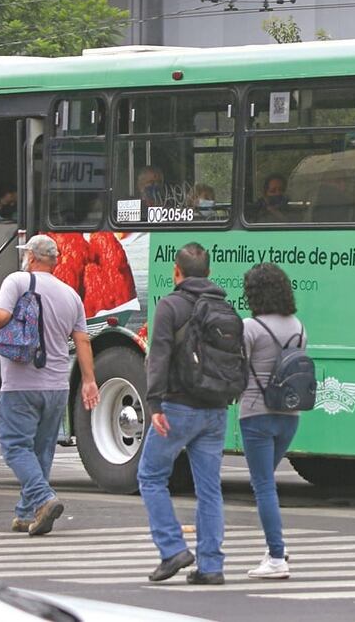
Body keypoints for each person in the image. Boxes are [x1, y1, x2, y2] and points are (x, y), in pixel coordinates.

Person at [0, 235, 99, 535]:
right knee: (42, 450)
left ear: (31, 257)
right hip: (57, 387)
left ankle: (43, 498)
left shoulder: (16, 281)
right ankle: (27, 513)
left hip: (21, 385)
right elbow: (83, 340)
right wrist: (89, 381)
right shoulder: (71, 295)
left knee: (14, 446)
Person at [138, 242, 229, 585]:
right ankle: (211, 566)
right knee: (209, 489)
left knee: (150, 475)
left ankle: (172, 548)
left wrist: (155, 404)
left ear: (177, 272)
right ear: (208, 274)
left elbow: (158, 358)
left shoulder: (170, 306)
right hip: (216, 409)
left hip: (178, 406)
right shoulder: (222, 305)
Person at [240, 263, 304, 579]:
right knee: (266, 482)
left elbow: (240, 369)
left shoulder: (250, 327)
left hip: (256, 415)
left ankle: (277, 557)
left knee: (263, 485)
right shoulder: (298, 325)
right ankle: (274, 546)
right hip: (289, 416)